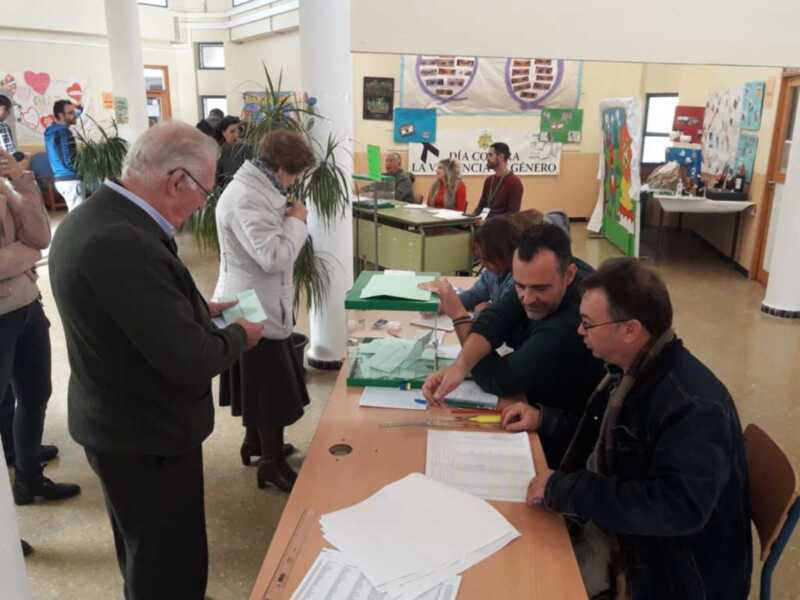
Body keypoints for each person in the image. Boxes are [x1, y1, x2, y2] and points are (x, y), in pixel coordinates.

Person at [48, 121, 263, 600]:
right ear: (177, 180)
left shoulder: (99, 215)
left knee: (146, 546)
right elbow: (190, 359)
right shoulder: (122, 242)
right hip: (145, 433)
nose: (202, 204)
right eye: (204, 191)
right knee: (166, 559)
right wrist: (238, 335)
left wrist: (197, 309)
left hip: (121, 420)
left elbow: (131, 311)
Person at [503, 258, 752, 600]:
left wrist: (569, 491)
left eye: (587, 324)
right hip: (631, 537)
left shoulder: (693, 407)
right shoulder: (630, 371)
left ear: (630, 330)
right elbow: (606, 437)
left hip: (672, 572)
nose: (580, 332)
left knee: (523, 578)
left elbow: (678, 508)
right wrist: (544, 419)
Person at [421, 223, 604, 465]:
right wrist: (461, 366)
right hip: (542, 408)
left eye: (540, 289)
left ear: (569, 275)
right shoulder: (551, 270)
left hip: (567, 441)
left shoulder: (570, 324)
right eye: (519, 286)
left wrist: (459, 316)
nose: (527, 298)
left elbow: (501, 380)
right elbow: (496, 317)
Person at [213, 130, 315, 493]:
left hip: (251, 297)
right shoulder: (247, 197)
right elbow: (273, 257)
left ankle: (255, 443)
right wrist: (297, 220)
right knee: (269, 386)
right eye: (295, 175)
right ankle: (271, 465)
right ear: (281, 167)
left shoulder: (256, 188)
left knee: (257, 381)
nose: (294, 182)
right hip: (251, 302)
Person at [0, 148, 80, 506]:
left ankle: (27, 472)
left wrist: (19, 180)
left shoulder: (7, 186)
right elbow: (33, 249)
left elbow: (40, 237)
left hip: (27, 304)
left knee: (35, 393)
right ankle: (15, 457)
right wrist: (27, 255)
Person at [455, 216, 519, 314]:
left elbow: (504, 313)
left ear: (506, 253)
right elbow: (475, 295)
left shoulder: (517, 279)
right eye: (480, 258)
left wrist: (485, 311)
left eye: (487, 259)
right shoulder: (491, 273)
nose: (483, 264)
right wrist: (449, 303)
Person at [44, 99, 84, 211]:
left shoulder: (51, 131)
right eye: (71, 113)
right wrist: (81, 169)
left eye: (74, 112)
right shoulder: (63, 132)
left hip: (61, 179)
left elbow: (78, 111)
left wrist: (79, 108)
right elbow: (68, 159)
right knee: (78, 215)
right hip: (71, 179)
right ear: (61, 115)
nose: (75, 115)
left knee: (75, 214)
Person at [472, 142, 523, 219]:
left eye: (490, 155)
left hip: (499, 225)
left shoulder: (514, 182)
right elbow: (481, 206)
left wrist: (488, 221)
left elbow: (512, 214)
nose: (487, 158)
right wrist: (471, 218)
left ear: (501, 157)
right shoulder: (489, 180)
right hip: (484, 223)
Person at [215, 115, 252, 189]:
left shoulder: (247, 148)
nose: (236, 135)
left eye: (239, 130)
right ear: (223, 132)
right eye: (232, 132)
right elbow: (217, 179)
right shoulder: (218, 152)